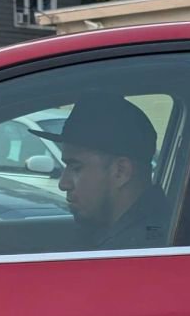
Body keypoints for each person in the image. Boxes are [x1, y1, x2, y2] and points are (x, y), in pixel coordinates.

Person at [34, 97, 174, 250]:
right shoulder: (146, 231)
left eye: (76, 168)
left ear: (121, 171)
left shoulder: (138, 251)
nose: (63, 184)